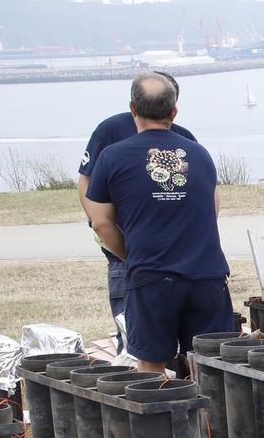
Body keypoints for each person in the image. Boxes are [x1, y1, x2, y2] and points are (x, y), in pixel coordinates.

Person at [80, 73, 234, 374]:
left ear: (133, 109)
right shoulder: (199, 153)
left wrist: (131, 255)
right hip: (207, 275)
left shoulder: (112, 157)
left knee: (151, 368)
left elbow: (99, 222)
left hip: (151, 278)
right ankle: (210, 421)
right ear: (174, 112)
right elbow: (211, 207)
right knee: (210, 368)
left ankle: (161, 421)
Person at [77, 72, 195, 349]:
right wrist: (102, 224)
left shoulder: (184, 140)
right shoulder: (110, 131)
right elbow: (86, 180)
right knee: (132, 333)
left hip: (181, 260)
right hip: (124, 255)